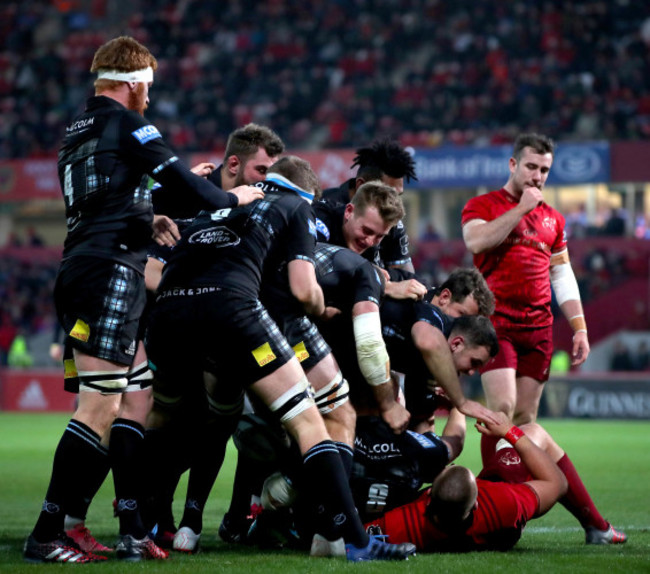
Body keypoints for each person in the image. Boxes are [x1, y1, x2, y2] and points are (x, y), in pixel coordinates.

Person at [24, 35, 263, 564]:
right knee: (100, 404)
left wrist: (144, 217)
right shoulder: (128, 123)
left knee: (135, 398)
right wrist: (234, 198)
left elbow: (98, 201)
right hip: (109, 271)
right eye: (147, 88)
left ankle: (123, 525)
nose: (149, 99)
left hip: (89, 262)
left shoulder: (76, 130)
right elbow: (193, 189)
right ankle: (47, 532)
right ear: (131, 84)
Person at [144, 155, 416, 561]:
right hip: (248, 314)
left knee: (179, 421)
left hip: (172, 317)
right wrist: (325, 309)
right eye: (368, 233)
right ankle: (347, 539)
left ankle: (152, 525)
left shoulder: (223, 205)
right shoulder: (300, 213)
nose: (371, 242)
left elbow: (156, 266)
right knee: (324, 417)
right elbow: (308, 295)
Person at [461, 133, 589, 425]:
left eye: (544, 170)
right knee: (502, 409)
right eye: (531, 167)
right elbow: (476, 242)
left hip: (538, 328)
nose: (537, 176)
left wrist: (579, 328)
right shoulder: (483, 204)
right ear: (512, 164)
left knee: (526, 417)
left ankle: (519, 473)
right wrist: (521, 209)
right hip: (497, 324)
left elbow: (561, 273)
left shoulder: (554, 219)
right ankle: (493, 473)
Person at [366, 412, 627, 550]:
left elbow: (346, 539)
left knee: (491, 437)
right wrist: (510, 432)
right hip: (500, 522)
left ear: (429, 496)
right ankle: (598, 528)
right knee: (531, 432)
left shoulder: (405, 525)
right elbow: (557, 484)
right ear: (476, 501)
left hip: (481, 525)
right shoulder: (504, 503)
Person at [351, 314, 499, 523]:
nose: (472, 372)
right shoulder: (415, 451)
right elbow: (454, 443)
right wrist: (458, 406)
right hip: (380, 525)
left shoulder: (338, 433)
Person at [380, 270, 498, 432]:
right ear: (444, 297)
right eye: (461, 315)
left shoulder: (444, 354)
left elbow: (423, 421)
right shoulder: (408, 285)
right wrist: (387, 286)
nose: (462, 326)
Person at [315, 180, 427, 301]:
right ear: (349, 212)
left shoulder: (371, 242)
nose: (369, 242)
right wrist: (382, 285)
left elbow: (406, 278)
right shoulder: (320, 216)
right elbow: (313, 266)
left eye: (380, 236)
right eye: (367, 231)